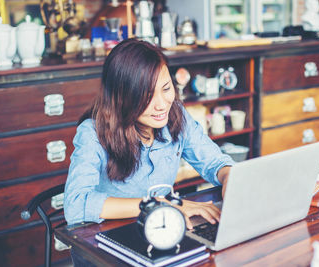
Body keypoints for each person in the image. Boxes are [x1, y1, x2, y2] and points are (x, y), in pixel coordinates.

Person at [64, 38, 234, 265]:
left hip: (160, 234)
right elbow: (76, 205)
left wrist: (229, 177)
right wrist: (161, 205)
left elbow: (214, 161)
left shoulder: (176, 116)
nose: (162, 104)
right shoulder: (92, 133)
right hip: (105, 248)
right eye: (146, 96)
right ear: (121, 96)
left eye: (166, 89)